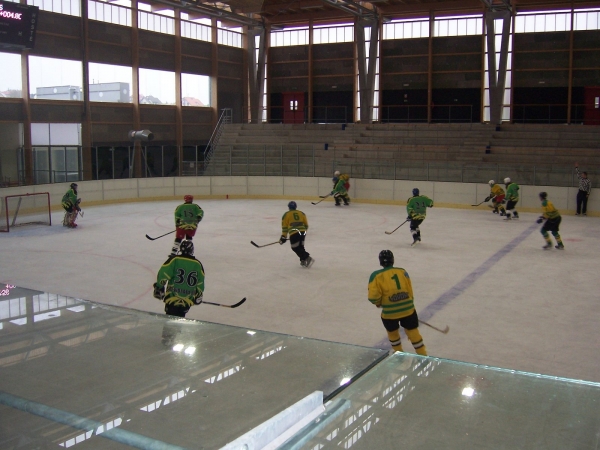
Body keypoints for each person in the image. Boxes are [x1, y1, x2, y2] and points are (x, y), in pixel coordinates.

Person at [368, 250, 427, 356]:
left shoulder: (376, 275)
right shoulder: (402, 271)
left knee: (392, 332)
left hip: (389, 312)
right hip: (408, 309)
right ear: (392, 260)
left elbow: (373, 296)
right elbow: (409, 290)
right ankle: (423, 355)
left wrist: (378, 302)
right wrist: (408, 304)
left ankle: (398, 353)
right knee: (412, 331)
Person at [153, 240, 205, 318]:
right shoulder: (198, 264)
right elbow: (200, 282)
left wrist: (159, 287)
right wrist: (199, 295)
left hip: (172, 298)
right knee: (180, 320)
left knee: (169, 320)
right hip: (187, 301)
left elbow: (164, 274)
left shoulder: (175, 260)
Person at [280, 201, 314, 268]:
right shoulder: (301, 213)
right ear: (296, 207)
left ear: (289, 207)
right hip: (303, 232)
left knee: (295, 247)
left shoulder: (286, 214)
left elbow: (285, 227)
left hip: (294, 232)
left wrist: (283, 236)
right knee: (300, 246)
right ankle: (303, 260)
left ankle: (306, 257)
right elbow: (306, 225)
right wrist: (303, 232)